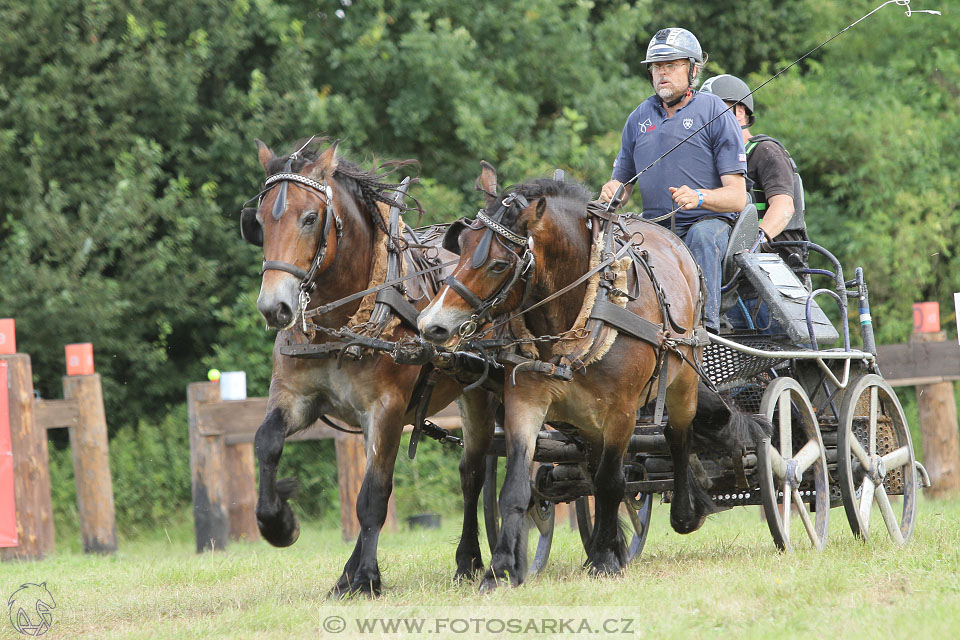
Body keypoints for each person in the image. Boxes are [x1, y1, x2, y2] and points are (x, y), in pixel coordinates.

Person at [600, 28, 747, 333]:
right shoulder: (638, 118)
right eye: (656, 66)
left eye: (671, 64)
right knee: (614, 242)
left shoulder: (715, 111)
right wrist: (614, 190)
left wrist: (700, 197)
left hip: (710, 225)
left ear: (693, 69)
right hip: (655, 227)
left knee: (701, 238)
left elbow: (737, 197)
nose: (661, 73)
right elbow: (623, 187)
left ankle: (705, 331)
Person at [700, 73, 810, 331]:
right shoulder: (717, 166)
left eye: (715, 110)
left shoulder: (764, 151)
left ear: (740, 113)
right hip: (733, 282)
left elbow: (784, 207)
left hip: (774, 274)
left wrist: (755, 244)